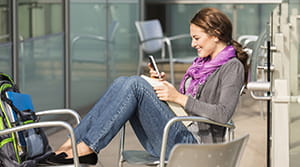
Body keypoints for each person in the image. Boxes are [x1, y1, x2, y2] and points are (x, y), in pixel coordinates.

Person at [44, 7, 248, 165]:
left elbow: (222, 114)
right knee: (122, 82)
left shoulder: (232, 67)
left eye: (197, 38)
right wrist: (163, 86)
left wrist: (177, 97)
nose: (193, 44)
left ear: (216, 34)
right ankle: (70, 144)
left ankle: (87, 148)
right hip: (177, 129)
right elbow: (187, 103)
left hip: (196, 146)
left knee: (135, 84)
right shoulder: (202, 64)